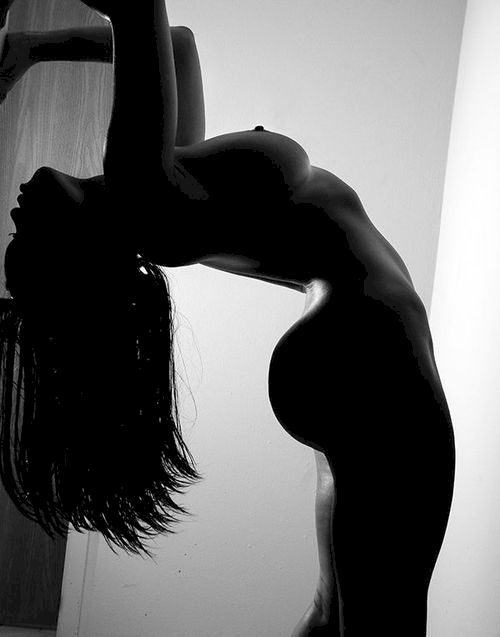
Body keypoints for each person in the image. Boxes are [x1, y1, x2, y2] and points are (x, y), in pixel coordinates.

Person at [0, 1, 455, 635]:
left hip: (351, 345)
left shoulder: (161, 193)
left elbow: (179, 46)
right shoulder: (143, 192)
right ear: (81, 263)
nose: (15, 213)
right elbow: (136, 5)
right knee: (386, 618)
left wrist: (32, 48)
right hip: (369, 341)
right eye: (29, 238)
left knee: (332, 614)